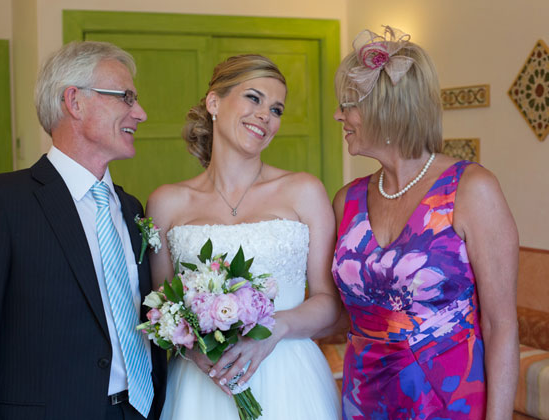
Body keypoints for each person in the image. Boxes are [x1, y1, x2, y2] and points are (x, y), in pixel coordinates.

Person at [0, 41, 166, 420]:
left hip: (141, 411)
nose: (140, 112)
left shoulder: (132, 208)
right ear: (74, 101)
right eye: (125, 97)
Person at [331, 26, 519, 419]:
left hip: (446, 399)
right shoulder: (345, 200)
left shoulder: (471, 189)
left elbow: (500, 324)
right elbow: (334, 311)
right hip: (363, 398)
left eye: (348, 104)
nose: (338, 116)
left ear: (386, 107)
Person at [146, 54, 342, 420]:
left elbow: (329, 303)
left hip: (289, 376)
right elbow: (164, 311)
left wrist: (272, 330)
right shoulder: (166, 203)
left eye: (277, 109)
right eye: (254, 98)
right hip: (202, 385)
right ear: (214, 102)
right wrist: (194, 347)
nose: (266, 115)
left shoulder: (303, 191)